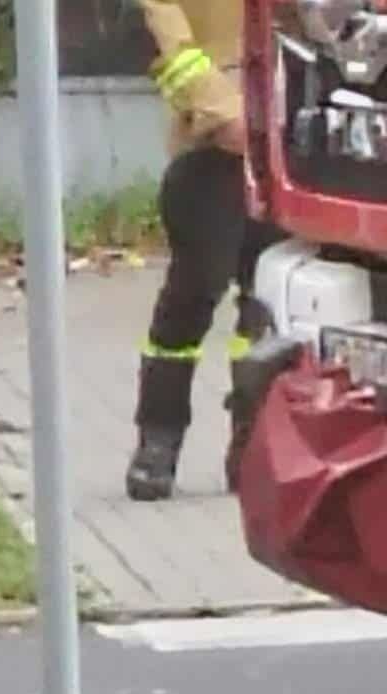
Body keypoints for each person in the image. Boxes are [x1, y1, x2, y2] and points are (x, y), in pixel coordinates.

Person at [126, 0, 287, 501]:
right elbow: (173, 48)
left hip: (288, 147)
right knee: (195, 290)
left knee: (268, 299)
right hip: (213, 149)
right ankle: (159, 438)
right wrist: (227, 114)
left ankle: (252, 444)